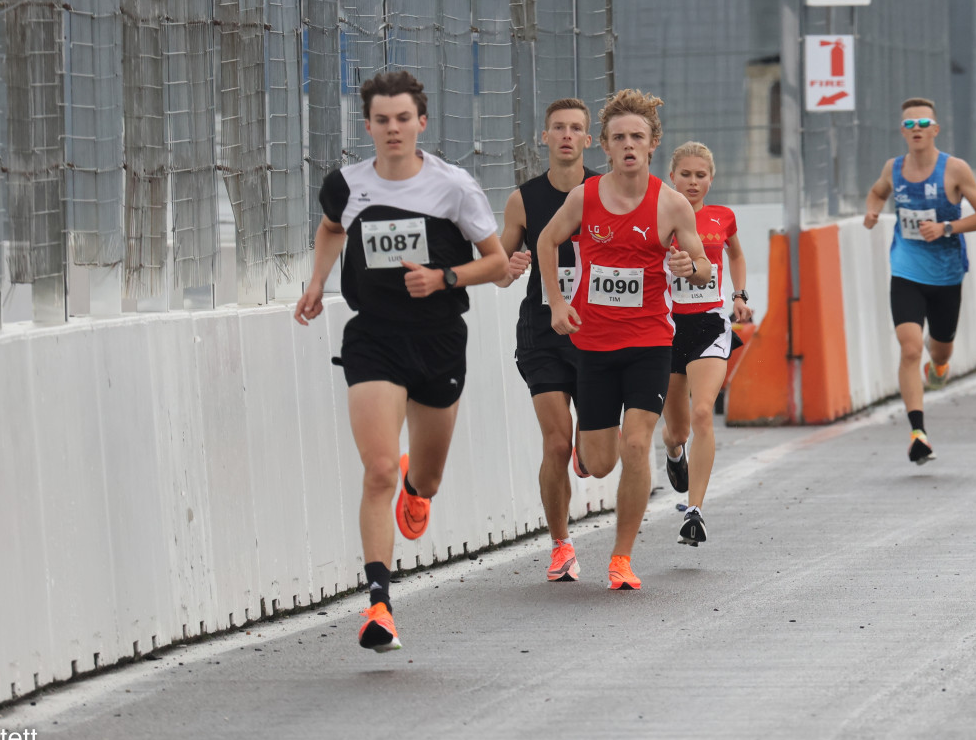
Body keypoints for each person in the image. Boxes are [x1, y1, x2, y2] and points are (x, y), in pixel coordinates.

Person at [294, 70, 508, 652]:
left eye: (403, 119)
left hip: (438, 339)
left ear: (422, 123)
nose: (393, 129)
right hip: (375, 338)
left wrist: (444, 277)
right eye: (382, 120)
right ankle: (379, 604)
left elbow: (498, 262)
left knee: (423, 476)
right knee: (378, 470)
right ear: (367, 126)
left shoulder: (454, 187)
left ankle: (420, 487)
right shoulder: (346, 184)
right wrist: (316, 283)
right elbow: (331, 227)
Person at [538, 89, 712, 591]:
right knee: (600, 460)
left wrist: (688, 266)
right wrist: (556, 302)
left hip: (649, 343)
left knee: (637, 445)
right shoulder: (584, 198)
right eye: (619, 138)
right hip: (593, 346)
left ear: (653, 143)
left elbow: (701, 267)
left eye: (638, 136)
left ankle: (621, 557)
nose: (629, 145)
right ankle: (586, 452)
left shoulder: (672, 204)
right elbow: (548, 241)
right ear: (606, 149)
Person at [496, 98, 597, 582]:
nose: (565, 136)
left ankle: (590, 447)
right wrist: (509, 267)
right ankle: (560, 545)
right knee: (555, 444)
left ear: (587, 140)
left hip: (600, 334)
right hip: (542, 332)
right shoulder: (524, 199)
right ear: (544, 137)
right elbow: (498, 266)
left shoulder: (608, 191)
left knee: (598, 461)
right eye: (557, 127)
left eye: (575, 129)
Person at [862, 97, 976, 465]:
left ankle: (938, 370)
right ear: (902, 132)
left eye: (923, 123)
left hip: (947, 274)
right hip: (906, 269)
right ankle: (917, 431)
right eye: (909, 125)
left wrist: (947, 227)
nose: (916, 129)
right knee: (909, 347)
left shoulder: (955, 170)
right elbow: (877, 191)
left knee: (940, 353)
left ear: (935, 130)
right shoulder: (894, 168)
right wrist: (872, 210)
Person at [657, 142, 753, 546]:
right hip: (665, 328)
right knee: (676, 431)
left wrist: (740, 295)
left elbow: (735, 255)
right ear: (671, 177)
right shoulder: (657, 215)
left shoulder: (722, 217)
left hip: (710, 325)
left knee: (702, 413)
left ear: (711, 180)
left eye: (701, 176)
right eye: (686, 175)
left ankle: (694, 511)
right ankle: (675, 456)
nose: (693, 182)